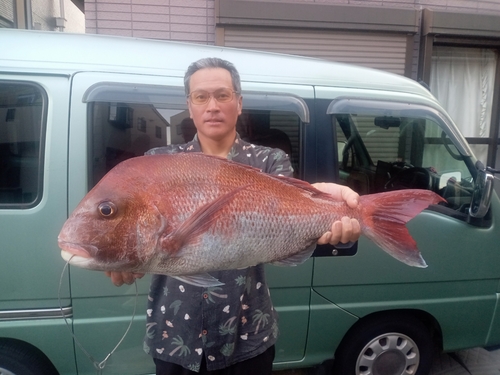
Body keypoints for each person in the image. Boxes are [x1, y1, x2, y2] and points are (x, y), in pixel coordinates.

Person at [106, 57, 361, 375]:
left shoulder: (268, 162)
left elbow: (292, 207)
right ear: (190, 105)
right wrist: (125, 258)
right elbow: (144, 234)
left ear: (239, 103)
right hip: (174, 338)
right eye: (201, 96)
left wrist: (327, 208)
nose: (212, 105)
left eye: (222, 95)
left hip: (246, 336)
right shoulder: (158, 163)